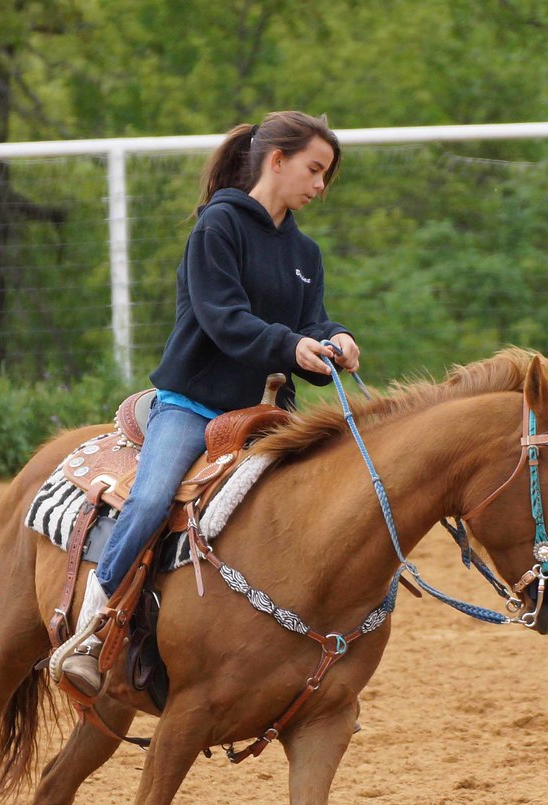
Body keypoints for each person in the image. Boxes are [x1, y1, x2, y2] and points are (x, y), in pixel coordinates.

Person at [61, 110, 360, 697]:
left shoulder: (306, 253)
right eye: (315, 170)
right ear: (277, 160)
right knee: (148, 503)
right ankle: (92, 628)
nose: (321, 186)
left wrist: (335, 337)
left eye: (327, 175)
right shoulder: (217, 228)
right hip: (194, 407)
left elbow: (310, 321)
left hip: (270, 414)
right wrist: (293, 344)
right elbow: (225, 321)